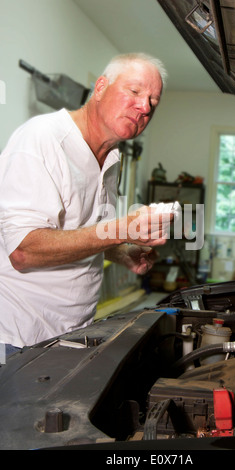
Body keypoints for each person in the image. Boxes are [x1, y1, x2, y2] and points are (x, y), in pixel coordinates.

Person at [0, 53, 171, 352]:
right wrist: (122, 230)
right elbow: (23, 250)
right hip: (19, 339)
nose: (144, 107)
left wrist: (121, 252)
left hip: (72, 335)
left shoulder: (111, 158)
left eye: (153, 103)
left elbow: (78, 231)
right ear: (101, 86)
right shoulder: (42, 139)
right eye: (134, 92)